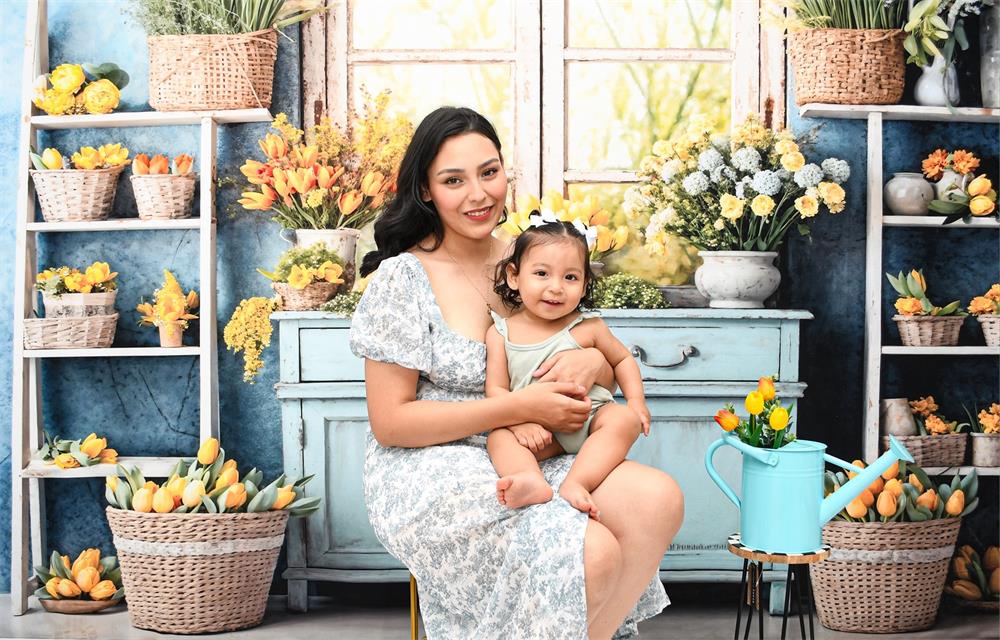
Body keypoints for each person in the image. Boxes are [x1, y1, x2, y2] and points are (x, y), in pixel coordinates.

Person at [350, 105, 683, 639]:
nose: (479, 194)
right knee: (590, 553)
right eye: (453, 180)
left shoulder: (533, 258)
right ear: (426, 191)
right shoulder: (402, 279)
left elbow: (592, 341)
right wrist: (520, 406)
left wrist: (591, 360)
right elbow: (391, 423)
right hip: (432, 466)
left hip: (537, 447)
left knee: (657, 498)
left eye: (489, 171)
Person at [486, 219, 651, 519]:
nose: (556, 288)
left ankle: (578, 482)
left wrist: (637, 401)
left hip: (591, 418)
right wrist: (518, 424)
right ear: (514, 276)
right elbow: (496, 390)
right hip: (542, 431)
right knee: (499, 437)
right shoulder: (501, 333)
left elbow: (623, 360)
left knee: (623, 419)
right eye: (541, 274)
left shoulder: (589, 327)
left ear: (585, 284)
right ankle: (529, 479)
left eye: (571, 277)